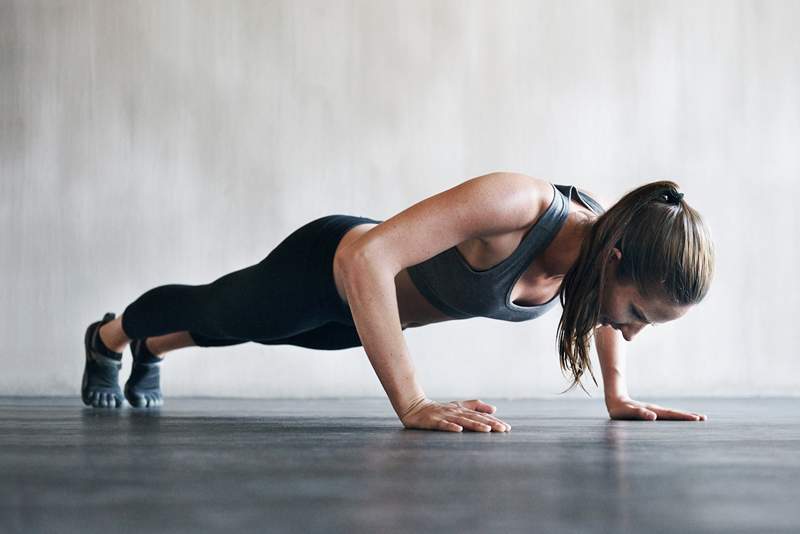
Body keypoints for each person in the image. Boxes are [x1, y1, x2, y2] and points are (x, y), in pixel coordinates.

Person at [81, 171, 715, 432]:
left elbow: (601, 314)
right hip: (326, 269)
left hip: (364, 320)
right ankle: (110, 338)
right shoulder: (521, 206)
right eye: (638, 313)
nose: (629, 330)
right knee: (217, 308)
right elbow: (368, 258)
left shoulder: (597, 259)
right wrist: (412, 402)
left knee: (245, 329)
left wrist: (617, 395)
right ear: (615, 260)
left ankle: (153, 350)